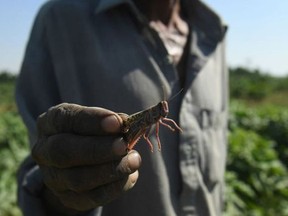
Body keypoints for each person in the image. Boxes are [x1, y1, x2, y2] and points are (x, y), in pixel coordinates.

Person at [16, 0, 228, 215]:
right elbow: (41, 165)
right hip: (130, 126)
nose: (164, 111)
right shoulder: (59, 18)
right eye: (162, 107)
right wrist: (65, 189)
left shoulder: (213, 29)